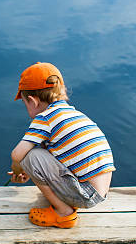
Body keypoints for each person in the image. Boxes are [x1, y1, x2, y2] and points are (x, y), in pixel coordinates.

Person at [8, 62, 115, 228]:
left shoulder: (45, 118)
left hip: (85, 194)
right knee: (38, 151)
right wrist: (32, 171)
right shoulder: (73, 114)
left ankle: (64, 213)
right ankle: (66, 199)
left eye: (24, 103)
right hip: (98, 192)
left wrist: (18, 169)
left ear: (32, 101)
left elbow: (17, 154)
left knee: (30, 155)